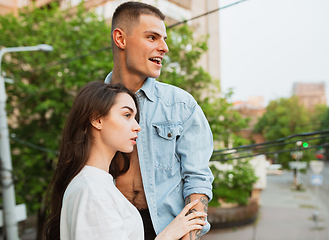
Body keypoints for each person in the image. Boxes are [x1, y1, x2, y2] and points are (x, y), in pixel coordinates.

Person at [44, 81, 207, 240]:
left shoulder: (96, 184)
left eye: (135, 117)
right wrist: (169, 234)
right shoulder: (93, 191)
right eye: (127, 115)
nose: (137, 126)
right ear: (97, 120)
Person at [105, 2, 214, 240]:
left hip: (168, 230)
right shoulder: (93, 107)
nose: (164, 48)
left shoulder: (181, 105)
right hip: (113, 229)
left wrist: (190, 236)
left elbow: (197, 179)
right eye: (152, 37)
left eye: (164, 39)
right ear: (120, 39)